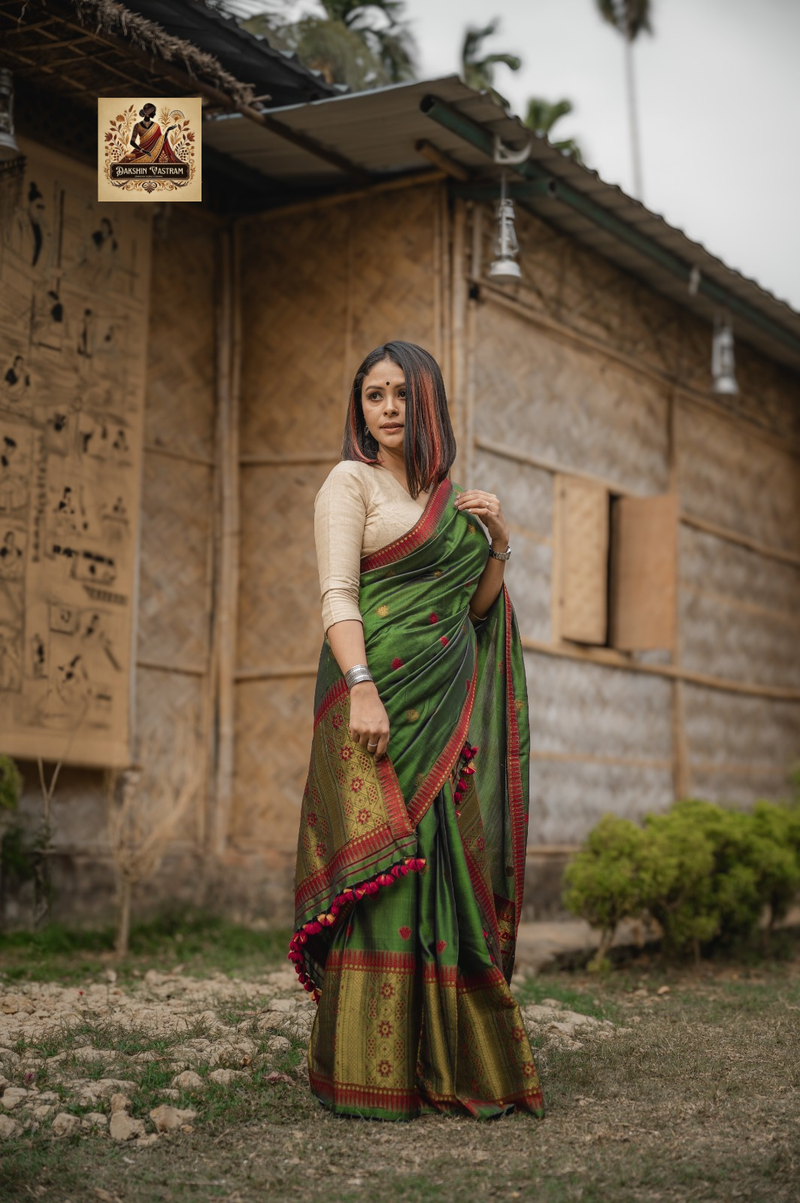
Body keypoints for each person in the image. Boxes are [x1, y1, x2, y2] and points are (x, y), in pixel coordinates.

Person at [289, 341, 544, 1122]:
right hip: (376, 707)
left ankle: (447, 1057)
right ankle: (373, 1068)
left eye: (402, 393)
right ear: (359, 408)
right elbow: (338, 596)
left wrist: (497, 541)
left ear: (428, 401)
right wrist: (362, 687)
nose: (388, 407)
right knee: (387, 875)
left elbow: (474, 609)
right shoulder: (349, 483)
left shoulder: (450, 498)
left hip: (442, 712)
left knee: (446, 872)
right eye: (373, 394)